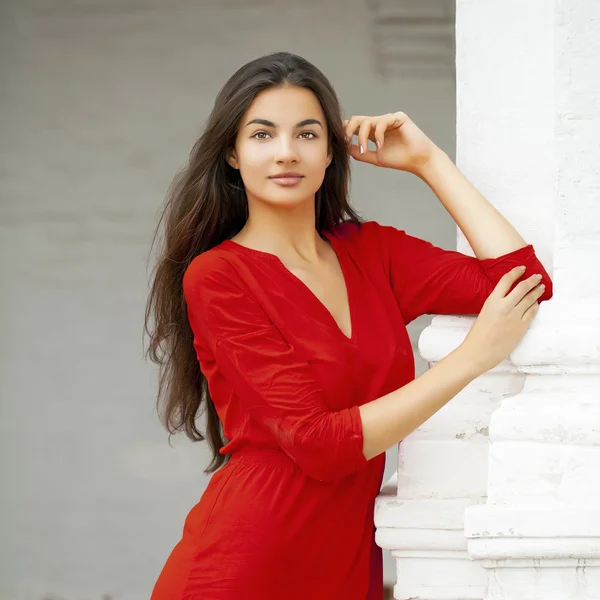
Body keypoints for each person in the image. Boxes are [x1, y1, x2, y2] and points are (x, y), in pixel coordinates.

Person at [144, 51, 552, 600]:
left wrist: (429, 162)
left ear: (332, 151)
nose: (286, 153)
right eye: (262, 135)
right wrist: (474, 356)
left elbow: (524, 281)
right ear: (232, 154)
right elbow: (320, 445)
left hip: (344, 558)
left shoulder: (372, 252)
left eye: (307, 134)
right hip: (245, 561)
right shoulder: (219, 276)